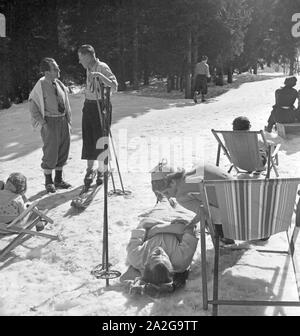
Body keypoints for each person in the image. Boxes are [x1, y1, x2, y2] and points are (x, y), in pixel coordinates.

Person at [125, 196, 198, 296]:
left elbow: (143, 223)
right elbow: (189, 228)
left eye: (154, 256)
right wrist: (157, 229)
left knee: (164, 198)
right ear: (171, 268)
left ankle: (163, 196)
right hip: (182, 216)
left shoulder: (136, 256)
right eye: (164, 256)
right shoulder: (180, 261)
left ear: (146, 264)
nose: (159, 251)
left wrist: (160, 228)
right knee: (182, 197)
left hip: (156, 217)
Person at [151, 160, 236, 245]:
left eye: (167, 193)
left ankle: (223, 239)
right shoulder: (200, 167)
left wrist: (189, 225)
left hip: (236, 223)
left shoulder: (182, 196)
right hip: (246, 208)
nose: (169, 197)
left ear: (173, 182)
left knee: (204, 211)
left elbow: (203, 214)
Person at [29, 57, 72, 193]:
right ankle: (49, 181)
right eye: (55, 68)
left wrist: (67, 120)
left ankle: (58, 180)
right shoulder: (40, 86)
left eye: (57, 67)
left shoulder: (58, 82)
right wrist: (43, 123)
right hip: (50, 121)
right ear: (47, 72)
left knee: (63, 149)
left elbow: (64, 102)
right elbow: (33, 105)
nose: (58, 69)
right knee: (51, 151)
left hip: (62, 120)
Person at [78, 44, 118, 187]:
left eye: (81, 58)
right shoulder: (88, 68)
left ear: (89, 56)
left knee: (101, 138)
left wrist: (100, 76)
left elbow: (115, 85)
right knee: (88, 137)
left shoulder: (102, 67)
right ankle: (90, 170)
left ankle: (102, 169)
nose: (79, 61)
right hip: (89, 105)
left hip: (101, 105)